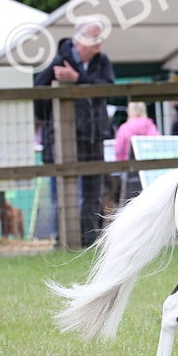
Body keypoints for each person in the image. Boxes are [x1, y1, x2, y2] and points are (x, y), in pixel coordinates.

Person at [34, 20, 115, 246]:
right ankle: (64, 240)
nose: (98, 44)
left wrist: (78, 79)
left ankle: (88, 239)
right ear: (79, 40)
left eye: (100, 39)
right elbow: (37, 94)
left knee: (92, 190)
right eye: (94, 39)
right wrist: (49, 123)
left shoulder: (102, 62)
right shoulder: (60, 61)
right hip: (63, 139)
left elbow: (108, 89)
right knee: (64, 192)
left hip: (93, 135)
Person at [113, 101, 160, 202]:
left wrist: (121, 161)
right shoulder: (151, 126)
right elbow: (157, 145)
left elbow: (118, 149)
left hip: (128, 168)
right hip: (148, 168)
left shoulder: (125, 128)